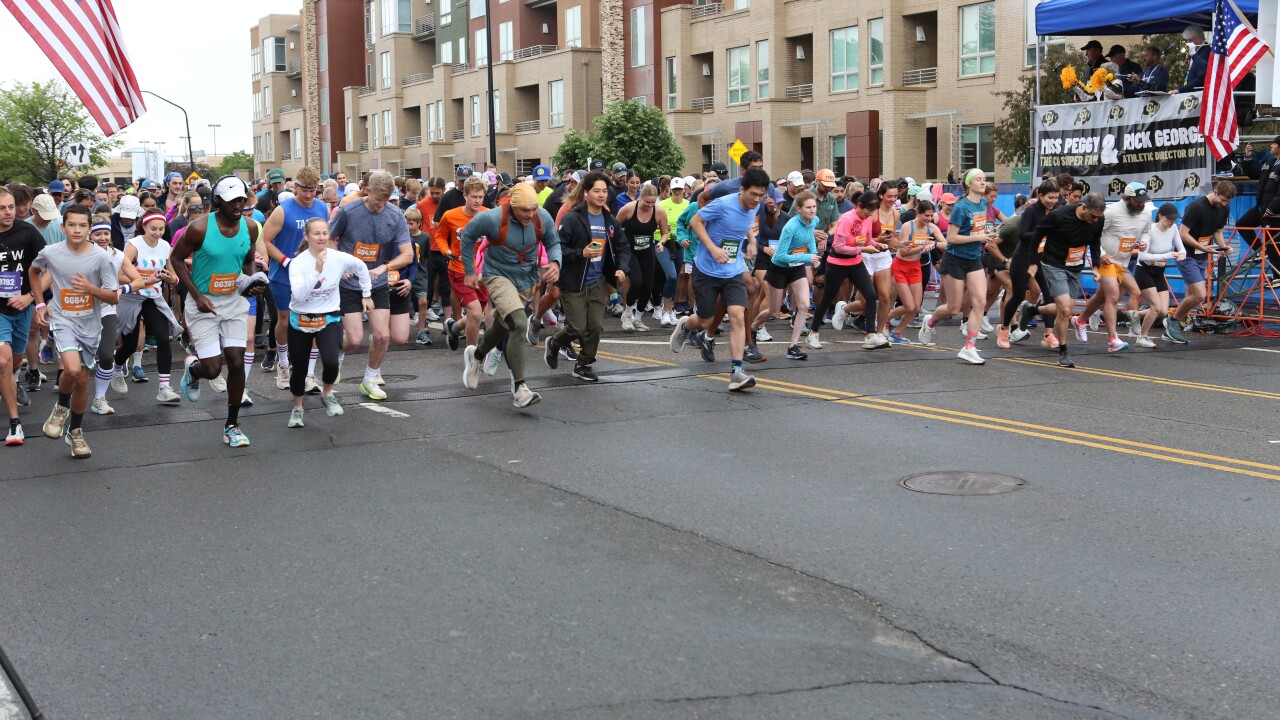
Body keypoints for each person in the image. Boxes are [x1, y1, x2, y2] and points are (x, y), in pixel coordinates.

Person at [171, 176, 267, 447]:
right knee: (213, 369)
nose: (239, 205)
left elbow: (249, 261)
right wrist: (196, 295)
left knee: (237, 360)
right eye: (232, 200)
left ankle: (232, 425)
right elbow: (176, 259)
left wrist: (251, 281)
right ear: (217, 202)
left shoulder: (250, 227)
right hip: (204, 304)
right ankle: (194, 370)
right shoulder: (199, 228)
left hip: (234, 300)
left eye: (242, 199)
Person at [29, 204, 120, 457]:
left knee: (81, 381)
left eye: (82, 225)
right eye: (72, 225)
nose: (77, 230)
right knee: (70, 369)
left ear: (90, 229)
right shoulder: (50, 252)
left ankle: (75, 432)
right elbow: (34, 271)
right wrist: (39, 303)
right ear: (63, 227)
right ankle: (60, 408)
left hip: (91, 324)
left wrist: (91, 289)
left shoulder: (101, 257)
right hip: (62, 318)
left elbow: (113, 298)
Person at [458, 183, 561, 405]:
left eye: (533, 208)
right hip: (497, 275)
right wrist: (469, 271)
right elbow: (467, 237)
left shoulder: (542, 217)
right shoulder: (493, 218)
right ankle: (519, 388)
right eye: (525, 210)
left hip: (525, 278)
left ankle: (475, 356)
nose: (530, 214)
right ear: (512, 205)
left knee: (505, 325)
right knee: (519, 323)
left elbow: (553, 242)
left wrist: (555, 262)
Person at [669, 168, 770, 391]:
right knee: (705, 321)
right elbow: (695, 222)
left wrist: (752, 241)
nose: (756, 199)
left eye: (761, 195)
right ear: (741, 189)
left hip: (732, 271)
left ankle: (736, 372)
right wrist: (713, 248)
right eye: (753, 194)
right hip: (706, 269)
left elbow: (746, 225)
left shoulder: (754, 205)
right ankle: (686, 327)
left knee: (736, 316)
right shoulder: (723, 204)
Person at [330, 171, 415, 400]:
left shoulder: (395, 215)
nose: (382, 204)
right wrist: (340, 263)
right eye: (378, 199)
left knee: (381, 336)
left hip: (376, 282)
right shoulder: (349, 211)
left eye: (386, 200)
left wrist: (383, 268)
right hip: (349, 283)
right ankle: (338, 352)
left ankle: (370, 378)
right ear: (367, 191)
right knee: (355, 339)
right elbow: (328, 239)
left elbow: (407, 254)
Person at [284, 218, 370, 428]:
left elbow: (361, 267)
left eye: (325, 233)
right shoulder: (298, 263)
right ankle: (297, 408)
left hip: (329, 316)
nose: (322, 237)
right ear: (306, 236)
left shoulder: (338, 258)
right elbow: (299, 295)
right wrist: (316, 270)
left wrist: (366, 295)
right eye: (316, 233)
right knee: (300, 370)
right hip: (301, 320)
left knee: (331, 361)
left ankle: (327, 392)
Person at [547, 171, 629, 382]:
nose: (601, 195)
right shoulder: (573, 218)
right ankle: (555, 343)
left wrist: (621, 268)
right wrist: (579, 253)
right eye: (596, 191)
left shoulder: (610, 220)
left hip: (597, 282)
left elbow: (622, 247)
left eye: (604, 191)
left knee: (595, 326)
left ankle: (583, 364)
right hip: (574, 281)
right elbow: (557, 248)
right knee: (577, 327)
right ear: (586, 193)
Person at [261, 167, 329, 391]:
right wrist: (285, 262)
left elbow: (323, 239)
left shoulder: (322, 208)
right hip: (283, 275)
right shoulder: (283, 210)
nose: (308, 195)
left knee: (315, 321)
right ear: (296, 187)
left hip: (312, 274)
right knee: (285, 320)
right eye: (304, 189)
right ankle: (282, 365)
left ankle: (309, 374)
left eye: (312, 190)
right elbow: (266, 240)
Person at [918, 169, 994, 364]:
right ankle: (930, 321)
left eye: (984, 179)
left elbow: (977, 228)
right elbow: (951, 238)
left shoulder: (984, 203)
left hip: (974, 258)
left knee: (979, 302)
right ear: (969, 183)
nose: (983, 182)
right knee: (954, 308)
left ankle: (969, 346)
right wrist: (979, 237)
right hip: (955, 260)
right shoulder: (961, 207)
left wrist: (988, 233)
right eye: (979, 179)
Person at [1026, 193, 1108, 368]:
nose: (1095, 220)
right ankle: (1063, 352)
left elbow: (1095, 242)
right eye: (1092, 216)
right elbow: (1038, 233)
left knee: (1066, 310)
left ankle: (1032, 309)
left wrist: (1095, 266)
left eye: (1098, 217)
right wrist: (1033, 261)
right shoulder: (1060, 216)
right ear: (1084, 207)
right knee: (1064, 309)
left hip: (1075, 266)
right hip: (1054, 263)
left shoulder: (1098, 220)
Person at [1075, 183, 1150, 352]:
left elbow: (1147, 231)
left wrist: (1145, 242)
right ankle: (1112, 340)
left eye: (1143, 201)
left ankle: (1080, 320)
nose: (1141, 204)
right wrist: (1101, 254)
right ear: (1128, 198)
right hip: (1108, 261)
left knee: (1101, 297)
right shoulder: (1111, 212)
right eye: (1137, 201)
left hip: (1123, 262)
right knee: (1113, 297)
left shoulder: (1146, 212)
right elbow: (1096, 235)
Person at [116, 210, 182, 402]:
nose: (157, 233)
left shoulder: (165, 247)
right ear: (143, 226)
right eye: (153, 229)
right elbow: (119, 275)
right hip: (131, 297)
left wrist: (172, 279)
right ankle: (117, 368)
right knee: (130, 344)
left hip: (153, 298)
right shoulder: (133, 245)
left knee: (163, 338)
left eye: (161, 229)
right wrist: (145, 279)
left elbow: (174, 276)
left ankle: (164, 388)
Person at [812, 191, 890, 350]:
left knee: (871, 295)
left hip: (856, 262)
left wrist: (877, 245)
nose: (869, 215)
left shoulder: (867, 219)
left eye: (872, 212)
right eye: (868, 211)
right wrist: (863, 250)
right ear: (859, 206)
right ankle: (813, 333)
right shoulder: (846, 219)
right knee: (827, 299)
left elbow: (868, 240)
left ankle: (870, 335)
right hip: (837, 263)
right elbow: (839, 248)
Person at [0, 186, 45, 445]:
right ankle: (15, 424)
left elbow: (48, 268)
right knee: (3, 360)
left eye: (10, 207)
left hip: (22, 308)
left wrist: (30, 298)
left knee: (14, 361)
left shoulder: (27, 232)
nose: (9, 212)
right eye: (2, 208)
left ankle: (11, 381)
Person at [752, 190, 820, 359]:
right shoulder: (790, 227)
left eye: (814, 207)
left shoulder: (813, 221)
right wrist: (807, 257)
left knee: (804, 305)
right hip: (779, 268)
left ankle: (793, 347)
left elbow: (810, 236)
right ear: (799, 210)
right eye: (808, 208)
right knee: (774, 311)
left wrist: (814, 253)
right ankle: (752, 328)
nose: (812, 210)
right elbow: (780, 255)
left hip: (796, 268)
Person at [1165, 181, 1234, 343]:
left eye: (1227, 202)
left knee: (1191, 297)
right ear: (1215, 191)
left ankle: (1166, 323)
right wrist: (1201, 248)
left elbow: (1218, 231)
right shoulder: (1196, 207)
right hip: (1186, 255)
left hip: (1202, 256)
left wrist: (1224, 247)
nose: (1224, 204)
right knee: (1200, 295)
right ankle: (1172, 322)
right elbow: (1183, 234)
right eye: (1222, 200)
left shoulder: (1224, 208)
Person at [435, 177, 490, 352]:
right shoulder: (450, 215)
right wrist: (446, 251)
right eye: (474, 196)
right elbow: (440, 236)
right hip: (459, 270)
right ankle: (473, 355)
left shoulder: (488, 215)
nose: (477, 201)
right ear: (465, 195)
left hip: (482, 273)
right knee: (474, 312)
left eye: (481, 197)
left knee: (479, 314)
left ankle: (455, 327)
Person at [887, 200, 947, 344]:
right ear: (918, 213)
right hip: (901, 266)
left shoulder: (931, 227)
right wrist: (921, 248)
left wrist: (934, 244)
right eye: (926, 215)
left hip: (915, 267)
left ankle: (896, 332)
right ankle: (884, 317)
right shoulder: (908, 226)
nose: (929, 219)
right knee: (908, 305)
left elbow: (945, 243)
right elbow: (903, 251)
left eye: (931, 216)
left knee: (915, 307)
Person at [615, 184, 670, 332]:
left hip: (647, 250)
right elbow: (614, 228)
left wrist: (661, 242)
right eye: (647, 202)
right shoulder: (628, 208)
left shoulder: (659, 211)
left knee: (648, 285)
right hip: (630, 250)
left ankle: (638, 318)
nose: (650, 205)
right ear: (641, 198)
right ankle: (627, 314)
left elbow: (665, 232)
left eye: (653, 202)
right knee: (637, 282)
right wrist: (618, 246)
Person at [1132, 203, 1187, 347]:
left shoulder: (1173, 228)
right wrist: (1168, 254)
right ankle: (1142, 338)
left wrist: (1182, 254)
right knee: (1155, 308)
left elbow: (1182, 248)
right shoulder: (1149, 230)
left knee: (1162, 310)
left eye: (1174, 219)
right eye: (1169, 219)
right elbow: (1142, 257)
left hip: (1158, 272)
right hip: (1144, 270)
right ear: (1160, 216)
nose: (1172, 222)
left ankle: (1136, 315)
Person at [1173, 26, 1210, 94]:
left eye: (1191, 40)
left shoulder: (1206, 51)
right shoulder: (1196, 52)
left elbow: (1201, 78)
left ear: (1201, 38)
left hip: (1199, 94)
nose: (1188, 43)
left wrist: (1180, 90)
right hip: (1191, 92)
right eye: (1187, 40)